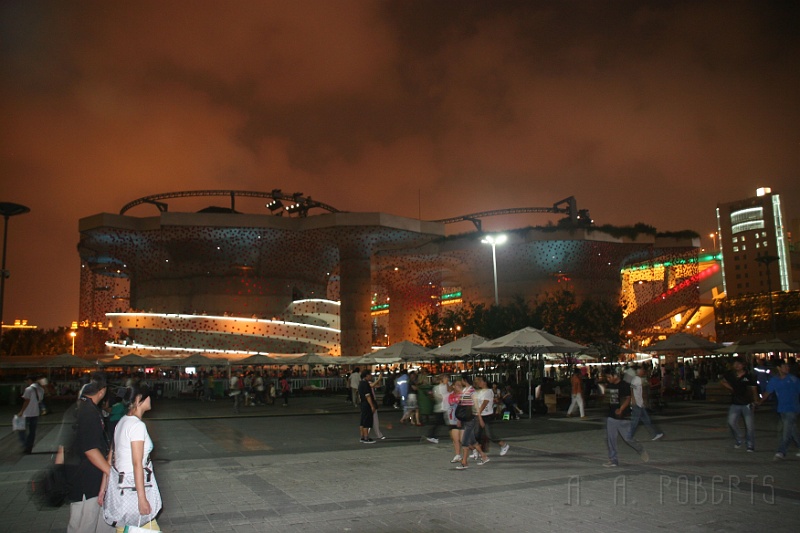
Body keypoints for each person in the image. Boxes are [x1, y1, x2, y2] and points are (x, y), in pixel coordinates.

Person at [66, 372, 114, 533]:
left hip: (78, 473)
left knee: (83, 520)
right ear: (102, 391)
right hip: (88, 476)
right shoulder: (89, 412)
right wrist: (111, 472)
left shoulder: (80, 407)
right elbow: (91, 449)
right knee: (86, 522)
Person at [110, 384, 161, 531]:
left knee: (127, 527)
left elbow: (112, 456)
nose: (151, 399)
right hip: (133, 487)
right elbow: (137, 463)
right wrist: (142, 498)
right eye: (148, 396)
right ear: (139, 399)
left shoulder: (122, 421)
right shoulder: (137, 426)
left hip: (123, 486)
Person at [602, 367, 649, 467]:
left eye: (609, 377)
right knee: (611, 438)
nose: (608, 379)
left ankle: (640, 449)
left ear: (615, 376)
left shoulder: (624, 385)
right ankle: (613, 459)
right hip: (611, 416)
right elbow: (608, 399)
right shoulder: (610, 385)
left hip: (623, 417)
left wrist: (621, 409)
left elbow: (628, 399)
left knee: (628, 438)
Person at [757, 360, 800, 460]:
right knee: (792, 430)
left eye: (787, 366)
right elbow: (767, 392)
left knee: (786, 431)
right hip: (782, 409)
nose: (787, 368)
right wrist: (760, 402)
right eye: (784, 366)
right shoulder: (774, 380)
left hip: (792, 409)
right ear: (778, 368)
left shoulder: (793, 379)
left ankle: (781, 451)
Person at [720, 357, 758, 451]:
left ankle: (750, 444)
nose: (736, 366)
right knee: (731, 422)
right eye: (735, 364)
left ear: (743, 365)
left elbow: (754, 389)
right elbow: (722, 381)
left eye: (739, 364)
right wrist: (731, 388)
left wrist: (755, 401)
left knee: (749, 426)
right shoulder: (731, 375)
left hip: (747, 403)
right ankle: (739, 438)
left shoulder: (749, 376)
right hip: (735, 402)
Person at [456, 377, 489, 470]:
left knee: (465, 441)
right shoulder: (465, 390)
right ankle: (483, 456)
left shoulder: (472, 391)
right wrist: (459, 418)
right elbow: (461, 404)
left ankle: (464, 462)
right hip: (465, 418)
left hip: (470, 418)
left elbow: (476, 405)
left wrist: (480, 418)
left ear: (464, 380)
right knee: (472, 440)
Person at [473, 376, 510, 457]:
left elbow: (484, 404)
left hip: (486, 415)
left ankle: (503, 445)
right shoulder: (480, 391)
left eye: (480, 381)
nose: (479, 383)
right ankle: (477, 450)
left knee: (489, 435)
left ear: (485, 382)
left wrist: (479, 416)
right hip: (479, 415)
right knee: (476, 434)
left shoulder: (489, 392)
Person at [628, 366, 664, 441]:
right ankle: (629, 436)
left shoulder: (636, 379)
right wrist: (634, 400)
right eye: (642, 370)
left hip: (639, 403)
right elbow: (632, 389)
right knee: (636, 421)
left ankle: (655, 433)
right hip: (637, 404)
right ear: (639, 371)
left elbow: (633, 389)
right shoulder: (637, 379)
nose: (643, 371)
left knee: (645, 420)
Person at [17, 374, 42, 454]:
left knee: (21, 430)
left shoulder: (29, 389)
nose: (26, 382)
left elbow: (26, 401)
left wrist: (21, 411)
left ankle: (26, 445)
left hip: (27, 413)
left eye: (26, 381)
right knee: (32, 431)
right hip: (36, 412)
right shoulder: (41, 389)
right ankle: (29, 447)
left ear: (30, 380)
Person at [426, 374, 451, 444]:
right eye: (446, 378)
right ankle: (433, 436)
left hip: (447, 407)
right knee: (438, 422)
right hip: (441, 407)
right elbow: (439, 397)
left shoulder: (448, 385)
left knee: (441, 422)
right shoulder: (437, 388)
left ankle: (433, 436)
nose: (447, 380)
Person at [447, 380, 465, 463]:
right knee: (455, 439)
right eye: (457, 385)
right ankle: (457, 455)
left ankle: (477, 450)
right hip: (452, 419)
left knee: (463, 439)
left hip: (461, 419)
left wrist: (459, 419)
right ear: (453, 386)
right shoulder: (451, 395)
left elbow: (462, 409)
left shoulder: (463, 395)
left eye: (460, 385)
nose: (459, 386)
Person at [358, 370, 377, 443]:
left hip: (362, 403)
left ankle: (362, 436)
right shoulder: (365, 384)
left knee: (362, 421)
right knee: (367, 421)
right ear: (366, 376)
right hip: (366, 404)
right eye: (370, 375)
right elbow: (368, 396)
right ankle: (366, 437)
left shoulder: (361, 383)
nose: (371, 376)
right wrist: (372, 406)